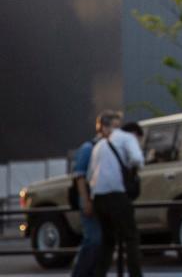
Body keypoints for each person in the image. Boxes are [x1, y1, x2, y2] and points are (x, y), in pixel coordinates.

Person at [87, 111, 145, 277]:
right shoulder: (126, 138)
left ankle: (99, 274)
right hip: (117, 196)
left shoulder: (98, 146)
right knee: (131, 237)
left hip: (98, 198)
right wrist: (132, 171)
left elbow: (90, 175)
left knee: (108, 241)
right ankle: (135, 274)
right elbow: (137, 159)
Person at [70, 112, 112, 277]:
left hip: (101, 201)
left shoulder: (106, 147)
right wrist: (85, 200)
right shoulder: (89, 148)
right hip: (89, 200)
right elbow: (79, 176)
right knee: (93, 240)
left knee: (99, 242)